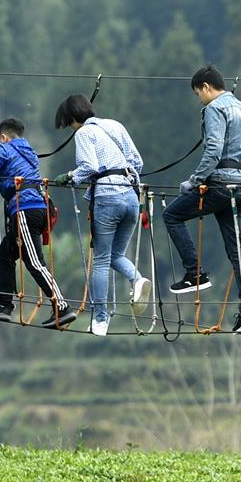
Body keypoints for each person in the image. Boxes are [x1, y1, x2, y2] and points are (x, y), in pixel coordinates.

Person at [0, 118, 75, 328]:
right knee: (6, 254)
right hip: (35, 207)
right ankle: (4, 305)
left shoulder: (4, 148)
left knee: (35, 262)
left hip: (25, 208)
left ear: (3, 137)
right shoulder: (30, 153)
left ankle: (62, 307)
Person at [162, 64, 241, 333]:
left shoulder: (215, 108)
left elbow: (214, 148)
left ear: (206, 87)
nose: (200, 100)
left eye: (198, 94)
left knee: (171, 214)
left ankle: (194, 272)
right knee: (239, 252)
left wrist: (195, 180)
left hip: (218, 185)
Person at [54, 94, 150, 337]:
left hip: (107, 198)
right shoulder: (115, 125)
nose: (72, 128)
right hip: (130, 197)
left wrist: (70, 176)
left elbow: (89, 167)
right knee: (115, 255)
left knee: (100, 261)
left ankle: (99, 318)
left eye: (70, 124)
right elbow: (137, 162)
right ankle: (137, 280)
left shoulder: (84, 133)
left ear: (74, 118)